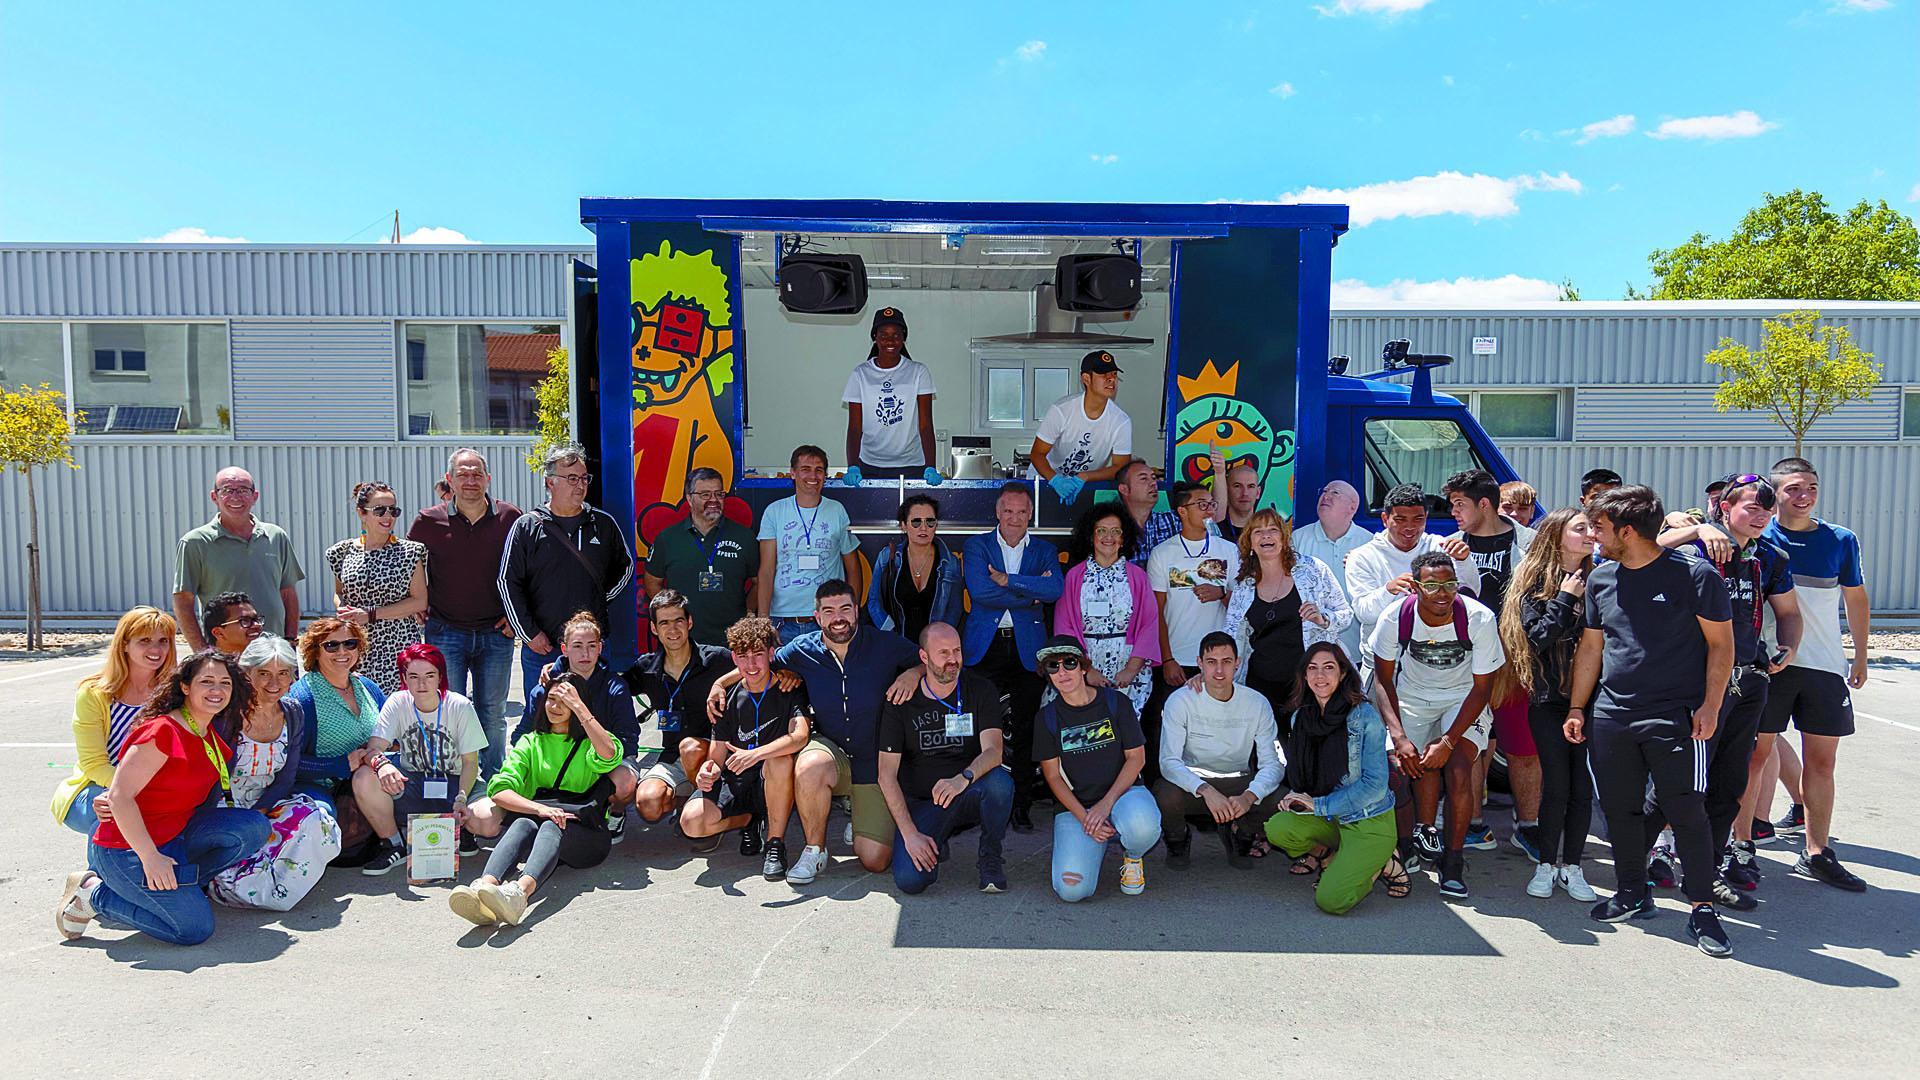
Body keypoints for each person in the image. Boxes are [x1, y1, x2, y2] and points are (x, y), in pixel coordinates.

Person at [1567, 485, 1735, 957]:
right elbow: (1592, 648)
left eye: (1598, 528)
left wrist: (1710, 706)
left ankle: (1702, 907)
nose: (1593, 536)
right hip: (1612, 715)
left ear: (1626, 530)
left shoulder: (1695, 576)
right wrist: (1579, 707)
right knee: (1621, 811)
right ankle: (1631, 892)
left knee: (1686, 811)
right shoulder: (1601, 578)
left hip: (1677, 714)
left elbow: (1722, 647)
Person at [1653, 474, 1801, 908]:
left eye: (1766, 510)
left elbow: (1788, 611)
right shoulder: (1697, 546)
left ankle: (1708, 868)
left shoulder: (1770, 556)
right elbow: (1635, 552)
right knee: (1678, 780)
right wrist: (1695, 529)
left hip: (1748, 679)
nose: (1760, 516)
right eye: (1751, 507)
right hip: (1693, 683)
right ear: (1725, 507)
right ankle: (1647, 858)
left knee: (1729, 781)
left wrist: (1788, 645)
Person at [56, 651, 272, 946]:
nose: (217, 690)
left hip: (176, 837)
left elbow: (201, 805)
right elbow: (120, 797)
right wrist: (150, 857)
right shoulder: (161, 732)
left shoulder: (211, 739)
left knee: (253, 827)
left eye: (225, 683)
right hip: (128, 848)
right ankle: (93, 895)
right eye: (206, 681)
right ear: (185, 687)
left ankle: (173, 891)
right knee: (193, 929)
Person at [1754, 456, 1870, 892]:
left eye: (1811, 488)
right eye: (1793, 489)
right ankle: (1740, 849)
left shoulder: (1841, 539)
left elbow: (1856, 600)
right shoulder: (1760, 534)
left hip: (1823, 667)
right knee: (1755, 759)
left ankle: (1817, 851)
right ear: (1776, 491)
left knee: (1822, 763)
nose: (1804, 496)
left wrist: (1859, 657)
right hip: (1769, 665)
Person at [1370, 553, 1503, 898]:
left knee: (1457, 767)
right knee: (1402, 768)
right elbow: (1383, 681)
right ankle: (1410, 843)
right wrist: (1398, 738)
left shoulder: (1478, 618)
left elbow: (1482, 687)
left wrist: (1447, 741)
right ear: (1415, 587)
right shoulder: (1395, 617)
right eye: (1432, 585)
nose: (1442, 593)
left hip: (1463, 697)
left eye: (1449, 584)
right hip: (1412, 696)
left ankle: (1453, 862)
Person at [448, 673, 625, 928]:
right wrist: (540, 808)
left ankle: (519, 894)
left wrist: (580, 708)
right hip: (544, 826)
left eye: (565, 701)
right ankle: (484, 889)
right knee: (523, 824)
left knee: (553, 824)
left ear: (579, 705)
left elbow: (609, 755)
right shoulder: (531, 741)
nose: (555, 707)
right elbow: (499, 789)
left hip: (587, 834)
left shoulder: (591, 742)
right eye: (551, 699)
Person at [1500, 509, 1600, 902]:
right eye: (1581, 529)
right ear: (1557, 537)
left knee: (1581, 787)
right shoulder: (1534, 585)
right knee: (1556, 785)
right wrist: (1565, 597)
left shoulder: (1601, 579)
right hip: (1548, 700)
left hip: (1591, 701)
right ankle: (1546, 864)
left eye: (1592, 528)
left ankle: (1572, 866)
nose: (1591, 534)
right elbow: (1538, 637)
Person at [408, 447, 523, 778]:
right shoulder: (428, 521)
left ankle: (496, 780)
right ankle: (453, 781)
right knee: (446, 712)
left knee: (493, 713)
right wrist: (417, 600)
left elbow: (526, 570)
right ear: (449, 480)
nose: (470, 480)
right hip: (446, 632)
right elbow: (409, 564)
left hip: (496, 634)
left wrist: (514, 615)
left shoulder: (510, 518)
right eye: (463, 473)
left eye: (476, 474)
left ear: (488, 479)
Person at [1443, 468, 1540, 859]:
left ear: (1484, 504)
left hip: (1515, 660)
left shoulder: (1530, 543)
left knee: (1522, 746)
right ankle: (1474, 825)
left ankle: (1529, 827)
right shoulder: (1448, 546)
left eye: (1459, 504)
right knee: (1471, 744)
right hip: (1466, 661)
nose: (1454, 513)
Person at [1264, 644, 1402, 914]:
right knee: (1278, 828)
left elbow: (1375, 786)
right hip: (1331, 816)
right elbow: (1305, 772)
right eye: (1312, 668)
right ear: (1304, 676)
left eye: (1329, 668)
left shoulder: (1364, 717)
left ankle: (1382, 863)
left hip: (1367, 819)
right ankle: (1332, 856)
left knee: (1331, 900)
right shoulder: (1301, 717)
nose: (1320, 676)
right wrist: (1296, 796)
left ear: (1342, 674)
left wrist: (1319, 806)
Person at [877, 622, 1014, 894]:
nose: (953, 660)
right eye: (943, 653)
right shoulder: (901, 700)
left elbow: (994, 751)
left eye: (957, 651)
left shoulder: (980, 689)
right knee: (910, 882)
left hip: (967, 790)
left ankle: (990, 856)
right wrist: (910, 834)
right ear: (924, 658)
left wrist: (963, 779)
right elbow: (886, 775)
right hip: (925, 803)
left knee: (1000, 782)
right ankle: (934, 837)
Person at [207, 636, 341, 911]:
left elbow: (286, 776)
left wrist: (261, 811)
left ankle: (276, 888)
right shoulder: (226, 714)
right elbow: (207, 778)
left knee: (318, 818)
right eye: (263, 674)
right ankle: (238, 883)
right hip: (222, 808)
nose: (274, 683)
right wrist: (244, 818)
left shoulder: (291, 711)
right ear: (246, 674)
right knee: (246, 842)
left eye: (282, 674)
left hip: (266, 804)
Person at [499, 443, 636, 698]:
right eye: (572, 478)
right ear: (550, 482)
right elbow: (508, 582)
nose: (580, 484)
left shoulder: (603, 524)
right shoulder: (527, 527)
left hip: (591, 648)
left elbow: (625, 568)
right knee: (544, 717)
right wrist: (529, 633)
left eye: (584, 478)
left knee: (594, 718)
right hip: (543, 646)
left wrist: (599, 598)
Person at [962, 482, 1063, 831]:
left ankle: (1020, 806)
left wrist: (1007, 579)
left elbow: (1054, 590)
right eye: (1008, 510)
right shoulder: (977, 545)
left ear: (1030, 513)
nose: (1015, 517)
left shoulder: (1045, 549)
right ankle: (972, 804)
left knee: (1024, 730)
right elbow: (980, 591)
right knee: (978, 729)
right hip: (984, 647)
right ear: (997, 511)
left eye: (1022, 511)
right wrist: (1028, 591)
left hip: (1027, 650)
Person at [680, 617, 812, 881]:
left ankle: (775, 843)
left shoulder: (790, 687)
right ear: (734, 658)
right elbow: (717, 756)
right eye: (743, 656)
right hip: (738, 779)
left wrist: (756, 754)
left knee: (781, 759)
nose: (751, 664)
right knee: (691, 822)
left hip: (774, 780)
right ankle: (749, 820)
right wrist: (709, 771)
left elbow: (800, 736)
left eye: (758, 655)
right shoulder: (725, 698)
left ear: (772, 653)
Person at [1031, 635, 1159, 901]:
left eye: (1069, 663)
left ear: (1083, 666)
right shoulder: (1047, 718)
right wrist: (1085, 819)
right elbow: (1053, 777)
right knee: (1072, 890)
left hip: (1122, 795)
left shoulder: (1115, 702)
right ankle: (1094, 842)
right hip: (1078, 807)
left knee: (1143, 827)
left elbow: (1137, 758)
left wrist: (1105, 805)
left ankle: (1133, 857)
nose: (1062, 672)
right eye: (1053, 667)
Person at [1155, 631, 1283, 868]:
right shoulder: (1180, 701)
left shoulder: (1257, 703)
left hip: (1239, 782)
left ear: (1238, 663)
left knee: (1281, 799)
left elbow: (1273, 764)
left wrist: (1250, 796)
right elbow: (1168, 761)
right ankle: (1177, 838)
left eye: (1226, 662)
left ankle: (1241, 833)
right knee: (1165, 794)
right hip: (1195, 782)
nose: (1219, 671)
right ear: (1199, 663)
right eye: (1211, 662)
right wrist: (1205, 790)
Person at [359, 643, 488, 874]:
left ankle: (465, 830)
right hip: (413, 783)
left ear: (440, 677)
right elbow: (374, 748)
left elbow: (470, 762)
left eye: (430, 675)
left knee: (487, 822)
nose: (422, 684)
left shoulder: (459, 706)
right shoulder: (397, 702)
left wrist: (461, 797)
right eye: (414, 676)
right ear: (404, 678)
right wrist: (382, 764)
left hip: (456, 783)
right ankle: (394, 845)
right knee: (363, 777)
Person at [511, 613, 641, 842]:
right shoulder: (544, 689)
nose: (585, 653)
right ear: (564, 649)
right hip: (558, 761)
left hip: (601, 759)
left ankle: (615, 813)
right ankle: (542, 811)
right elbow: (522, 734)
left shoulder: (616, 687)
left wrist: (594, 758)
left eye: (592, 646)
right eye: (577, 646)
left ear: (601, 648)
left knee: (625, 780)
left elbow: (628, 739)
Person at [52, 607, 179, 835]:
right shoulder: (93, 693)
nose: (156, 649)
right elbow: (93, 764)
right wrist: (130, 791)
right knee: (113, 808)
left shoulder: (174, 693)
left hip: (157, 789)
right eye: (145, 640)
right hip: (93, 787)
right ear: (124, 644)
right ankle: (94, 872)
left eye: (163, 641)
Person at [1223, 507, 1350, 714]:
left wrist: (1323, 619)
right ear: (1250, 543)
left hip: (1310, 685)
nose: (1266, 536)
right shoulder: (1244, 585)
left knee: (1308, 745)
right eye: (1258, 531)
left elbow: (1345, 615)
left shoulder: (1312, 569)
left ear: (1283, 538)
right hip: (1261, 687)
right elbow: (1231, 634)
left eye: (1273, 529)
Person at [628, 591, 735, 833]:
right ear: (654, 628)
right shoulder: (646, 668)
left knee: (690, 747)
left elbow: (754, 666)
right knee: (647, 803)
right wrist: (562, 666)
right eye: (664, 622)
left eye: (678, 620)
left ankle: (710, 808)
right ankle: (687, 803)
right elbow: (607, 684)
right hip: (672, 755)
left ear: (690, 622)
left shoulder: (716, 659)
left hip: (716, 753)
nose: (673, 629)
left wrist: (721, 682)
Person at [173, 466, 303, 651]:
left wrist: (289, 640)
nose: (235, 497)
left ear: (254, 496)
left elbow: (288, 593)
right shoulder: (195, 542)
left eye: (243, 490)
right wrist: (202, 651)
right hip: (226, 654)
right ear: (214, 497)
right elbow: (183, 601)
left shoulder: (275, 536)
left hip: (274, 651)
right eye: (227, 490)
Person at [1345, 484, 1480, 657]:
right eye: (1400, 520)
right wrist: (1389, 590)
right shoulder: (1361, 556)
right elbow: (1364, 614)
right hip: (1383, 658)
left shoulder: (1440, 546)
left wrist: (1463, 561)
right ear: (1385, 519)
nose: (1410, 527)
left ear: (1426, 517)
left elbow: (1471, 593)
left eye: (1418, 519)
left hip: (1437, 656)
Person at [287, 618, 388, 844]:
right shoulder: (302, 699)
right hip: (323, 787)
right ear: (315, 652)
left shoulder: (368, 687)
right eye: (331, 645)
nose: (342, 651)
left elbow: (395, 731)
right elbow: (288, 763)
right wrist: (340, 764)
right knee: (324, 819)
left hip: (373, 781)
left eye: (350, 644)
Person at [1054, 503, 1159, 715]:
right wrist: (1086, 669)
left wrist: (1131, 669)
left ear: (1123, 538)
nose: (1108, 536)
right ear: (1091, 536)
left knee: (1123, 730)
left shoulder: (1137, 576)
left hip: (1127, 664)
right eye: (1101, 530)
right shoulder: (1075, 576)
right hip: (1084, 663)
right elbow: (1064, 626)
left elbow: (1149, 623)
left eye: (1115, 531)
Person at [326, 481, 428, 696]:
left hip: (397, 645)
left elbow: (419, 601)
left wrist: (370, 615)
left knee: (397, 712)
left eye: (393, 510)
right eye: (380, 510)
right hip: (355, 646)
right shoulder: (341, 552)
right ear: (362, 513)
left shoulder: (410, 552)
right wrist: (343, 610)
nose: (388, 516)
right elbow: (339, 593)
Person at [643, 466, 759, 647]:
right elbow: (652, 581)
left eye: (719, 494)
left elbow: (760, 582)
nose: (713, 500)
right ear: (689, 498)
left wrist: (748, 613)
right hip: (684, 641)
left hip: (732, 641)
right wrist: (671, 616)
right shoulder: (668, 538)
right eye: (705, 495)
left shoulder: (744, 537)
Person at [758, 444, 862, 645]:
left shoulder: (837, 510)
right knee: (784, 677)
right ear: (793, 473)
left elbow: (854, 569)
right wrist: (764, 621)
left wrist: (852, 614)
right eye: (805, 469)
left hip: (828, 621)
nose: (812, 476)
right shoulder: (774, 512)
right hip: (783, 620)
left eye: (819, 470)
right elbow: (766, 571)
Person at [1148, 482, 1240, 692]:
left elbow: (1242, 606)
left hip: (1219, 660)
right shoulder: (1162, 553)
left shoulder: (1229, 550)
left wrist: (1221, 593)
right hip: (1178, 658)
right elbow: (1156, 611)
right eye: (1201, 504)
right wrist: (1167, 659)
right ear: (1182, 511)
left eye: (1211, 504)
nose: (1209, 510)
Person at [841, 306, 941, 483]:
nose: (890, 340)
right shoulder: (860, 374)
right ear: (875, 338)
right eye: (884, 334)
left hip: (912, 464)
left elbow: (925, 424)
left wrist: (931, 466)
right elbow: (855, 427)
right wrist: (853, 465)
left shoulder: (918, 372)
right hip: (870, 465)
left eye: (896, 334)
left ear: (903, 338)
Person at [1031, 350, 1134, 504]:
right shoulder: (1062, 410)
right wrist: (1055, 481)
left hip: (1084, 485)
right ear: (1086, 378)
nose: (1111, 379)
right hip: (1045, 480)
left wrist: (1084, 477)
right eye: (1103, 374)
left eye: (1113, 374)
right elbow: (1037, 454)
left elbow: (1121, 467)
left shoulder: (1121, 421)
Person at [867, 494, 964, 644]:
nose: (923, 528)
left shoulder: (950, 562)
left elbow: (954, 608)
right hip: (895, 645)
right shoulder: (888, 557)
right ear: (904, 525)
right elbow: (874, 602)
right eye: (916, 522)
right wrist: (890, 634)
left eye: (930, 522)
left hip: (934, 647)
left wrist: (938, 639)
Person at [1293, 480, 1371, 663]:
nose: (1325, 496)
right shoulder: (1298, 539)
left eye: (1335, 493)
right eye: (1324, 491)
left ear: (1352, 507)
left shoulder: (1368, 543)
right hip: (1309, 650)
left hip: (1355, 649)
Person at [202, 592, 264, 657]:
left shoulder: (268, 662)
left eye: (256, 619)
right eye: (245, 620)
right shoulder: (207, 666)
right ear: (219, 633)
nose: (257, 625)